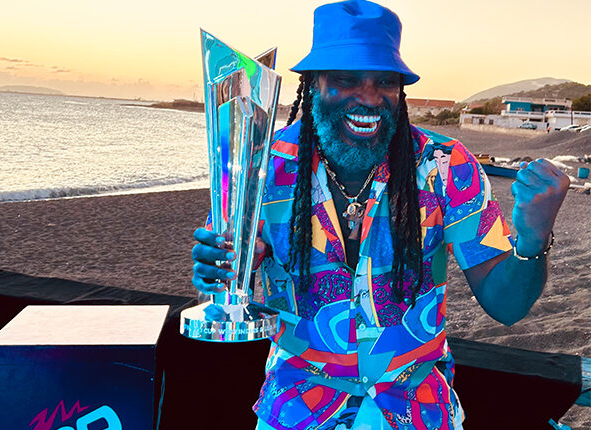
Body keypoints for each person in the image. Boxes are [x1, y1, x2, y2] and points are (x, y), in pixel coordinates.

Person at [191, 1, 570, 428]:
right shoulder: (262, 167)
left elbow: (506, 306)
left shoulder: (446, 167)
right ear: (313, 84)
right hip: (297, 406)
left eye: (385, 81)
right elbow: (222, 276)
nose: (369, 98)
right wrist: (221, 272)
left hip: (415, 408)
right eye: (347, 79)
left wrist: (534, 237)